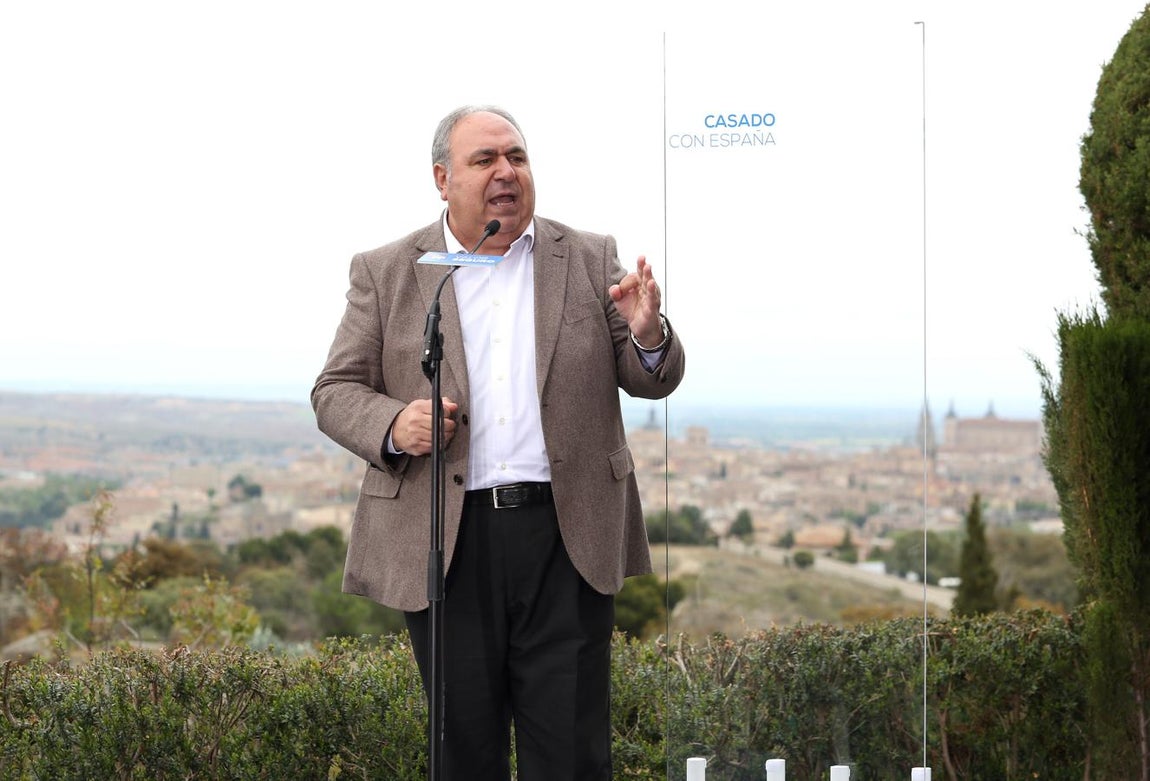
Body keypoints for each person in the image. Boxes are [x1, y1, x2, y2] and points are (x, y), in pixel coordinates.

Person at [311, 104, 685, 781]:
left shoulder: (589, 255)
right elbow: (334, 390)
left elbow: (648, 379)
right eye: (485, 160)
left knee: (571, 756)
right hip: (447, 543)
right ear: (442, 177)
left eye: (517, 156)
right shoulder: (389, 269)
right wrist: (396, 425)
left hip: (566, 538)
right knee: (464, 757)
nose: (506, 172)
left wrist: (648, 332)